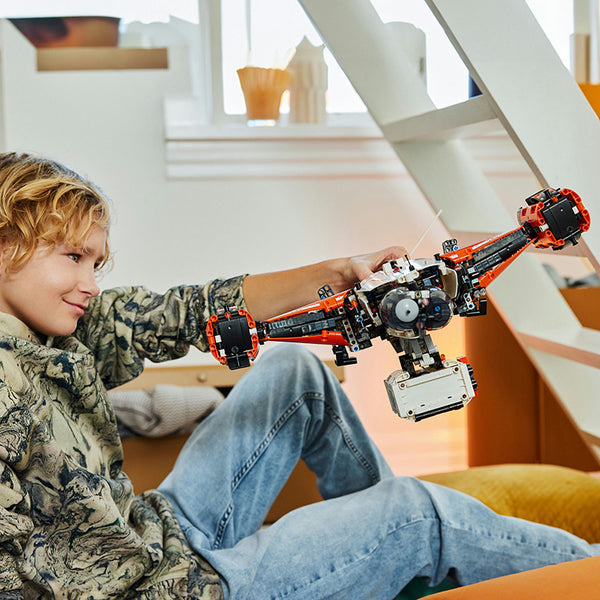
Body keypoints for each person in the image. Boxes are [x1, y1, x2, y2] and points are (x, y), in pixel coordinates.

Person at [0, 151, 596, 600]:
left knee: (294, 370)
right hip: (171, 590)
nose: (91, 284)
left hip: (156, 537)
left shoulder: (60, 331)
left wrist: (341, 272)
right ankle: (585, 569)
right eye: (73, 257)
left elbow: (193, 308)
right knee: (416, 512)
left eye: (96, 262)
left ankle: (382, 559)